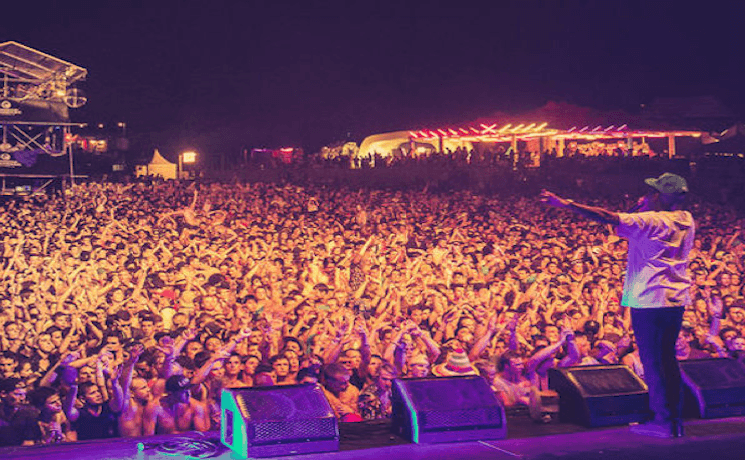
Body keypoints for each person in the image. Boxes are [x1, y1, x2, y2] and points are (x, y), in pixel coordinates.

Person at [540, 172, 693, 438]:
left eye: (654, 192)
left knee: (654, 362)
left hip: (650, 300)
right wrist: (643, 209)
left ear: (660, 196)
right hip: (676, 299)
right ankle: (674, 420)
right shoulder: (686, 219)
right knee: (667, 359)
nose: (650, 195)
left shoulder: (650, 219)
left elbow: (609, 218)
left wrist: (566, 204)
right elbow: (621, 227)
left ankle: (663, 422)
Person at [142, 374, 210, 435]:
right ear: (171, 393)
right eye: (183, 391)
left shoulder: (195, 407)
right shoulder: (154, 408)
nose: (188, 394)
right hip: (163, 446)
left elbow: (202, 436)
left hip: (188, 445)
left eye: (189, 390)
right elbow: (148, 437)